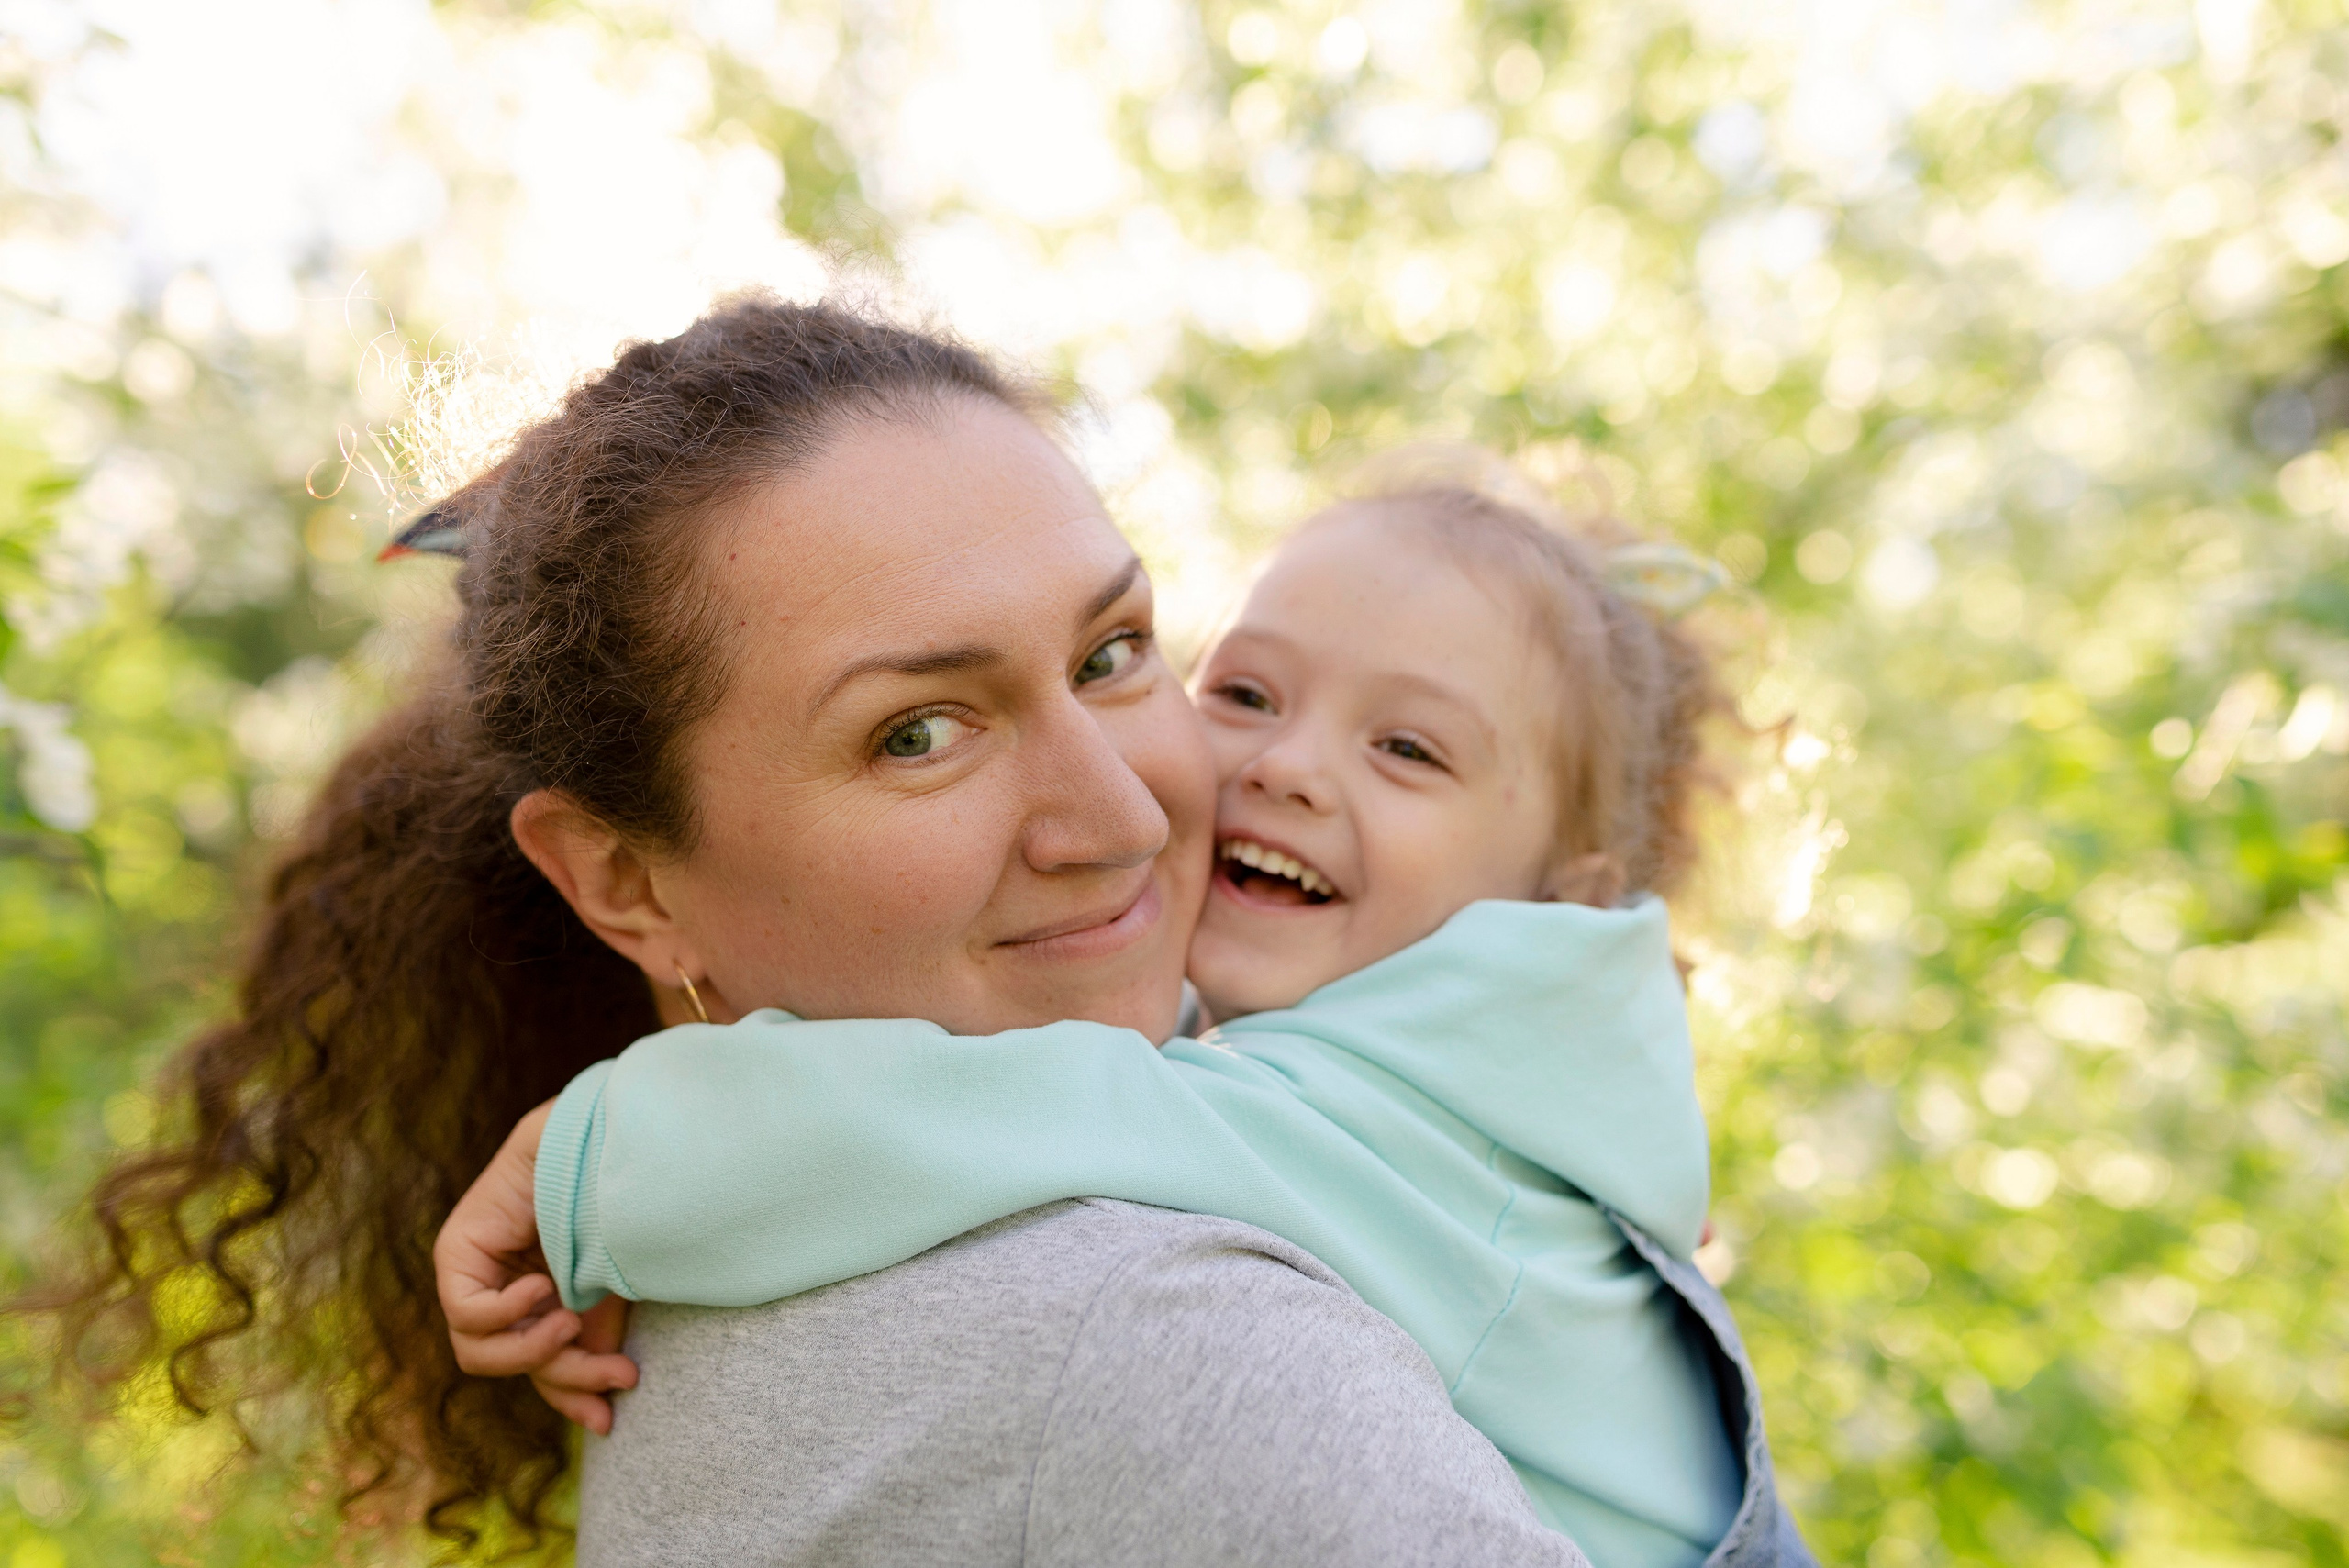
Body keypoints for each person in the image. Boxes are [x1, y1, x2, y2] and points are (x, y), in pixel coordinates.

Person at [27, 295, 1605, 1563]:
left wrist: (620, 1137)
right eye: (921, 732)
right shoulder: (1163, 1334)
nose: (1122, 815)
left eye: (1116, 651)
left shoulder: (720, 1263)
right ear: (624, 883)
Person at [440, 473, 1820, 1568]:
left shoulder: (1381, 1136)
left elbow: (1063, 1112)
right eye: (1247, 692)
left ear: (1559, 894)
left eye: (1407, 749)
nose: (1284, 767)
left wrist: (610, 1145)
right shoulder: (1513, 1062)